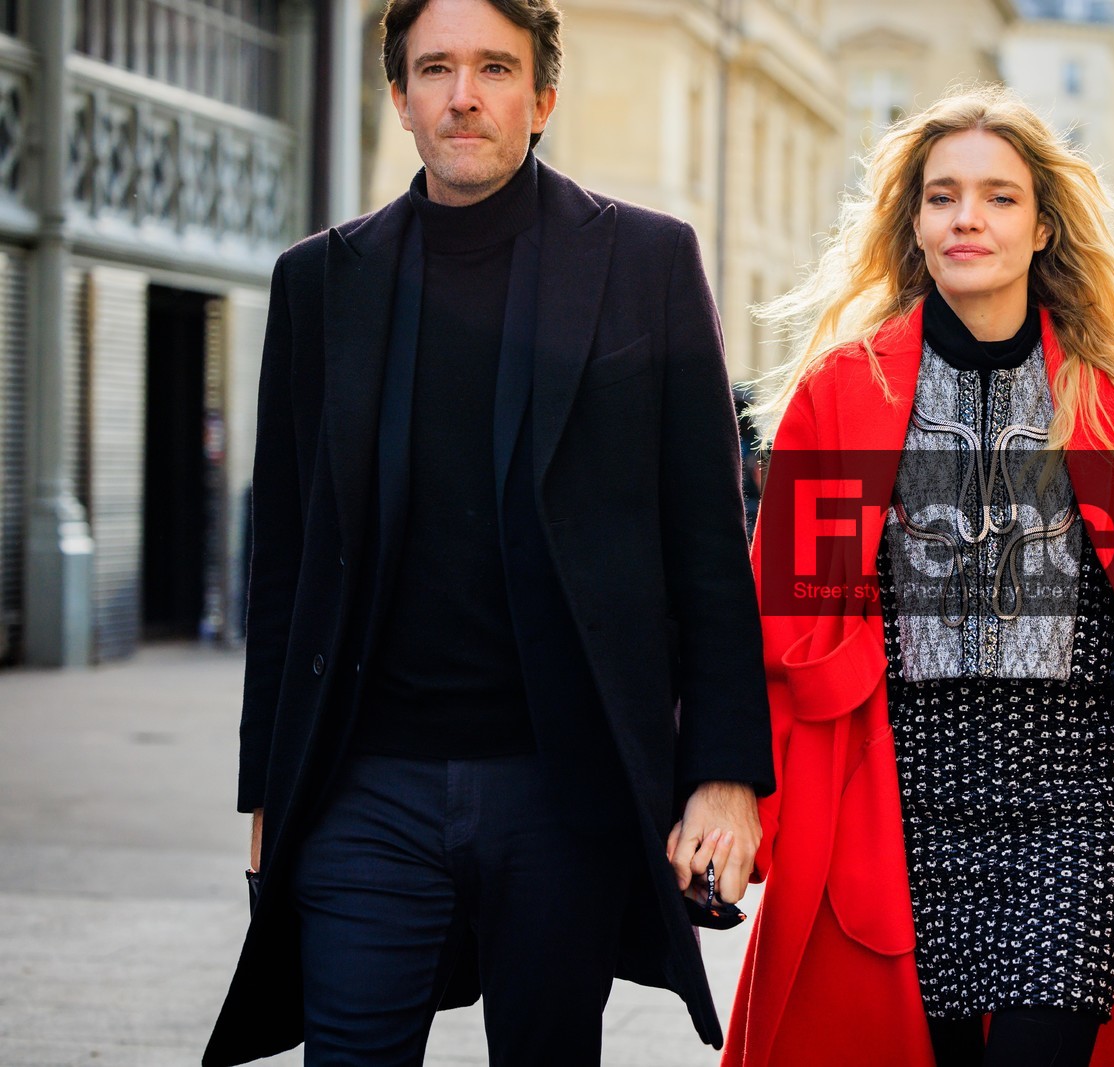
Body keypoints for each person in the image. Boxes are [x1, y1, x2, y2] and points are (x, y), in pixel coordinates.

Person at [203, 1, 772, 1064]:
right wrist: (266, 797)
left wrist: (725, 769)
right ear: (400, 100)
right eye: (437, 69)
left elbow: (706, 534)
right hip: (360, 785)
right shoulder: (318, 282)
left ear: (541, 98)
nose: (464, 94)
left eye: (495, 68)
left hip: (563, 785)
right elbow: (282, 563)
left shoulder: (646, 261)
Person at [723, 87, 1114, 1067]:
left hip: (1078, 802)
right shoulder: (842, 390)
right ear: (913, 224)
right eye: (942, 196)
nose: (967, 217)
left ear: (1041, 227)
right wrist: (736, 799)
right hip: (900, 810)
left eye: (997, 196)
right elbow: (778, 622)